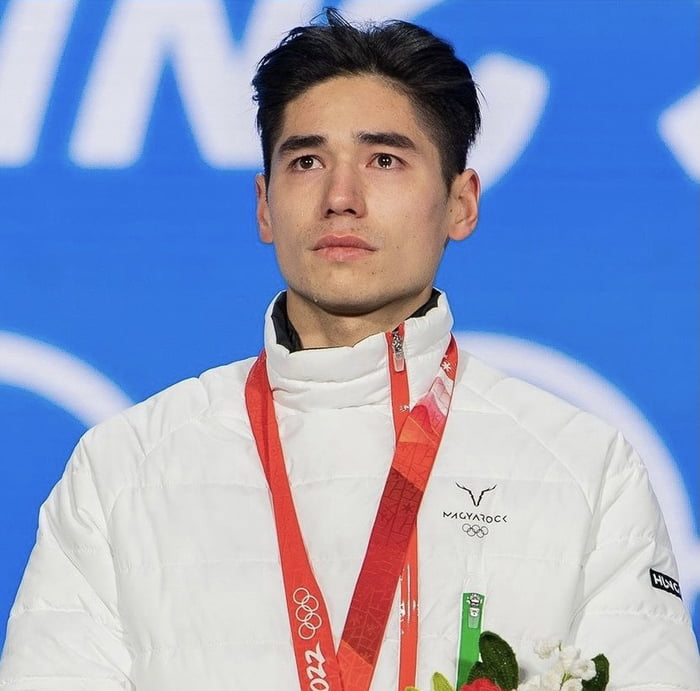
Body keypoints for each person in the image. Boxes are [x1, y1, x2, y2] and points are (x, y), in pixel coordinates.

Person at [0, 9, 697, 691]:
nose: (341, 196)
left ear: (461, 201)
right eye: (306, 160)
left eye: (384, 159)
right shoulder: (120, 468)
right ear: (265, 204)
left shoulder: (588, 469)